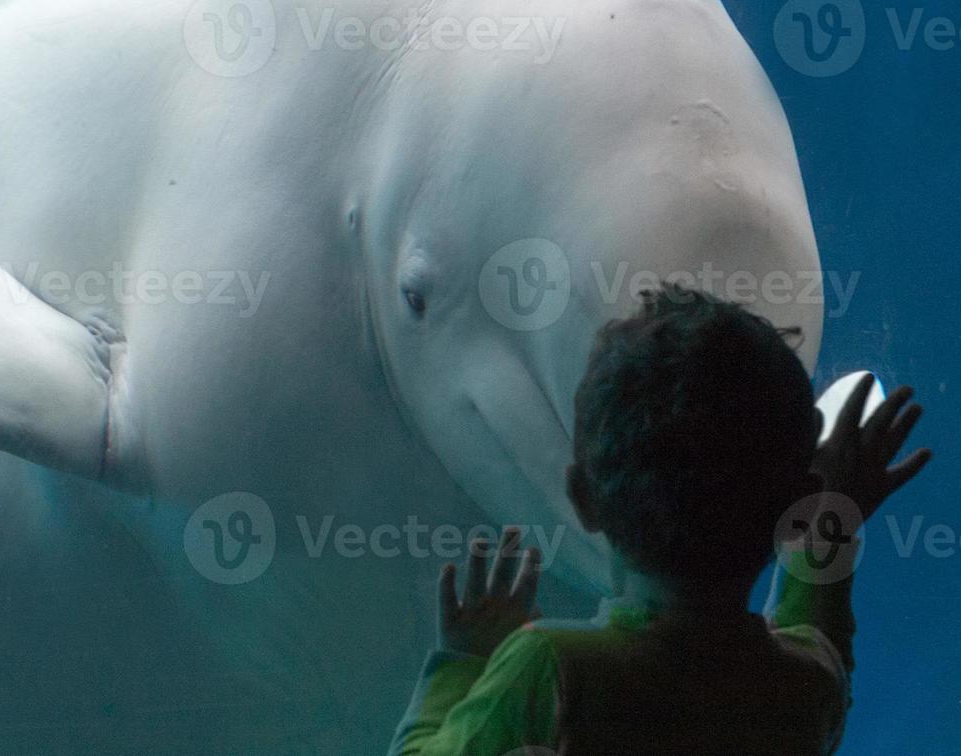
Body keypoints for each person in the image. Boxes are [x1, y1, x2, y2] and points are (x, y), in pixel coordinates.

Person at [388, 284, 931, 755]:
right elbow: (821, 638)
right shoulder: (800, 689)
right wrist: (832, 515)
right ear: (796, 508)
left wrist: (465, 662)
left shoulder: (548, 673)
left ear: (583, 496)